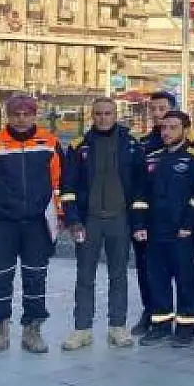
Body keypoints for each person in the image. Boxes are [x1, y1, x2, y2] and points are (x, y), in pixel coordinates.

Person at [0, 94, 66, 357]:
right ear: (7, 116)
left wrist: (61, 215)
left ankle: (33, 331)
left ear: (35, 115)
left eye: (26, 114)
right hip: (1, 224)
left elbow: (59, 184)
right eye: (15, 115)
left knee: (35, 278)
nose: (21, 119)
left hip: (37, 224)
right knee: (0, 278)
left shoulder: (50, 143)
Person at [60, 98, 144, 352]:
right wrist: (73, 220)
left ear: (115, 115)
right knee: (85, 276)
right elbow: (68, 187)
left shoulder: (131, 144)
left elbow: (140, 186)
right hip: (89, 221)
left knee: (118, 275)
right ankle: (82, 329)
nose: (103, 118)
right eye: (98, 114)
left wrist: (137, 221)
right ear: (92, 116)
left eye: (108, 113)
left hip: (120, 219)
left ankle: (117, 327)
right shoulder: (78, 146)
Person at [131, 110, 194, 347]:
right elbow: (141, 195)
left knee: (186, 280)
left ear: (185, 130)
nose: (167, 132)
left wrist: (188, 225)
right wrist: (139, 224)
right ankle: (161, 325)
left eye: (173, 128)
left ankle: (186, 328)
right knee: (157, 280)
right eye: (164, 128)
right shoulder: (152, 158)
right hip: (155, 231)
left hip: (182, 232)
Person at [132, 90, 178, 336]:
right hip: (149, 221)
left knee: (183, 272)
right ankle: (150, 313)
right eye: (154, 109)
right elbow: (138, 185)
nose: (158, 114)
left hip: (179, 221)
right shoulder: (144, 145)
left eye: (163, 109)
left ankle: (185, 321)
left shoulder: (193, 145)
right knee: (147, 270)